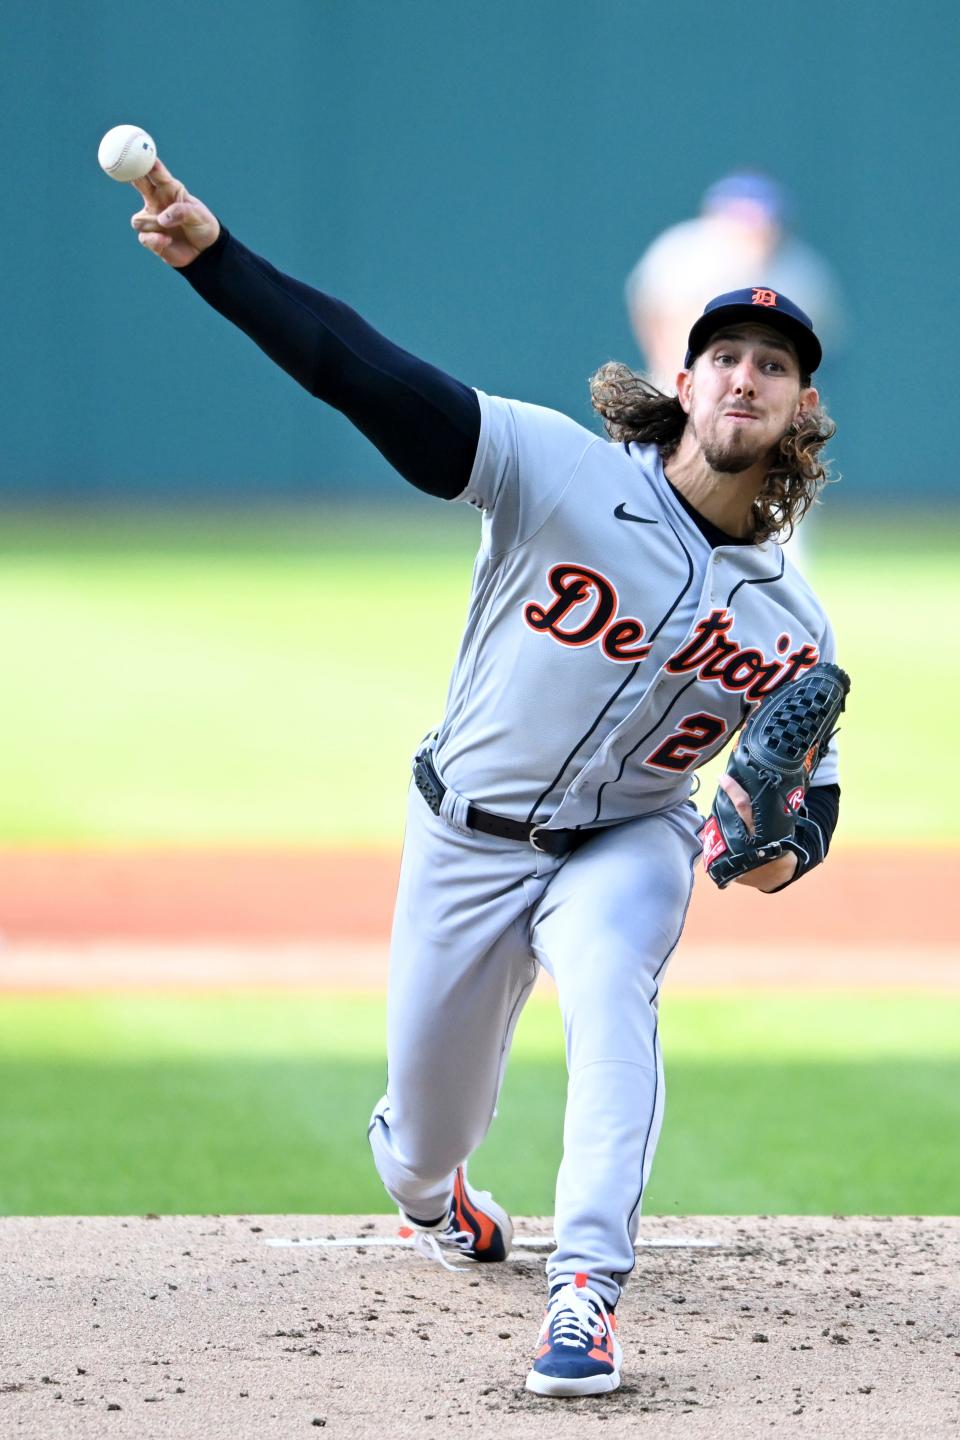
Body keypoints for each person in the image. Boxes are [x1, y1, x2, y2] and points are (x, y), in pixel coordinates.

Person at [126, 160, 843, 1399]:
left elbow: (796, 831)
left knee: (616, 983)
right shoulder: (555, 469)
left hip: (628, 841)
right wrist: (215, 259)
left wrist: (764, 840)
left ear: (798, 410)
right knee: (422, 1142)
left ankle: (588, 1296)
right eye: (724, 354)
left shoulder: (796, 630)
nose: (745, 374)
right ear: (683, 381)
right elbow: (361, 369)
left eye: (772, 365)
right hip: (464, 837)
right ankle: (434, 1189)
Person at [626, 170, 845, 393]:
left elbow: (820, 342)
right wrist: (663, 360)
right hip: (676, 383)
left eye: (759, 223)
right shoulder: (679, 255)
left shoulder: (802, 276)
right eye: (741, 219)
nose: (750, 233)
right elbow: (648, 312)